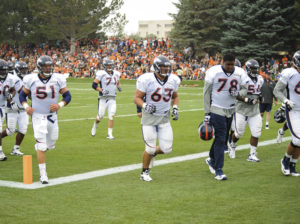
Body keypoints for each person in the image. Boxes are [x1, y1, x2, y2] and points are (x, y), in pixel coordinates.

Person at [19, 55, 72, 184]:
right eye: (45, 66)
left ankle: (40, 146)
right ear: (39, 67)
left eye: (49, 66)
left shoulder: (58, 78)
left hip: (52, 117)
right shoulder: (31, 79)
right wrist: (26, 107)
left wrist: (59, 105)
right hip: (37, 116)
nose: (48, 68)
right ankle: (43, 175)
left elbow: (67, 95)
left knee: (51, 143)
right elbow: (22, 95)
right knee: (42, 146)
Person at [134, 55, 180, 181]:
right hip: (149, 117)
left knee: (167, 149)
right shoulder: (147, 79)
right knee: (149, 147)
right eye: (163, 67)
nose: (166, 69)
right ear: (156, 67)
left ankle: (153, 153)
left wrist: (175, 107)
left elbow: (175, 96)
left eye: (167, 67)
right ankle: (144, 172)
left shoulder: (173, 79)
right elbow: (136, 98)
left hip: (164, 117)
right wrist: (144, 105)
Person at [204, 54, 248, 180]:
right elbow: (206, 93)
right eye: (227, 64)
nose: (229, 67)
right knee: (221, 139)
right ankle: (219, 169)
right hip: (216, 108)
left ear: (235, 63)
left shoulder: (240, 72)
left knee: (222, 138)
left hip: (231, 109)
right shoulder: (214, 72)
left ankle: (211, 158)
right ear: (222, 62)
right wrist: (207, 113)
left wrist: (239, 93)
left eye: (232, 64)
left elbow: (246, 89)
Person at [228, 59, 264, 162]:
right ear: (248, 69)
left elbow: (257, 93)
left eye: (256, 69)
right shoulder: (241, 78)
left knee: (256, 133)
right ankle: (233, 145)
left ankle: (252, 154)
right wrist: (247, 99)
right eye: (253, 69)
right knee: (238, 134)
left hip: (254, 111)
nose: (255, 71)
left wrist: (260, 97)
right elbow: (235, 94)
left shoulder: (260, 79)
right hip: (241, 110)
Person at [273, 50, 300, 177]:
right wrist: (286, 100)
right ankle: (285, 160)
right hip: (293, 110)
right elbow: (277, 90)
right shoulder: (289, 73)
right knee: (298, 139)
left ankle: (293, 164)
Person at [1, 62, 30, 156]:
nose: (24, 71)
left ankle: (16, 149)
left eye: (25, 69)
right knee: (10, 130)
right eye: (22, 69)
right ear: (17, 70)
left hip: (22, 108)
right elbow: (21, 92)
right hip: (12, 107)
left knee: (23, 129)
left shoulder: (25, 78)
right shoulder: (14, 78)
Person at [91, 58, 122, 139]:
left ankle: (110, 134)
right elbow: (94, 85)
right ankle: (95, 124)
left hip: (112, 98)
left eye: (111, 65)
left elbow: (118, 82)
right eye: (108, 65)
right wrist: (101, 90)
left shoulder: (116, 73)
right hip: (103, 98)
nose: (109, 66)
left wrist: (119, 87)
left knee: (111, 115)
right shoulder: (101, 74)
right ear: (105, 66)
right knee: (100, 116)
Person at [0, 60, 16, 161]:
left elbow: (13, 90)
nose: (3, 72)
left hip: (2, 106)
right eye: (1, 70)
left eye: (5, 70)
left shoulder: (10, 78)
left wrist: (10, 95)